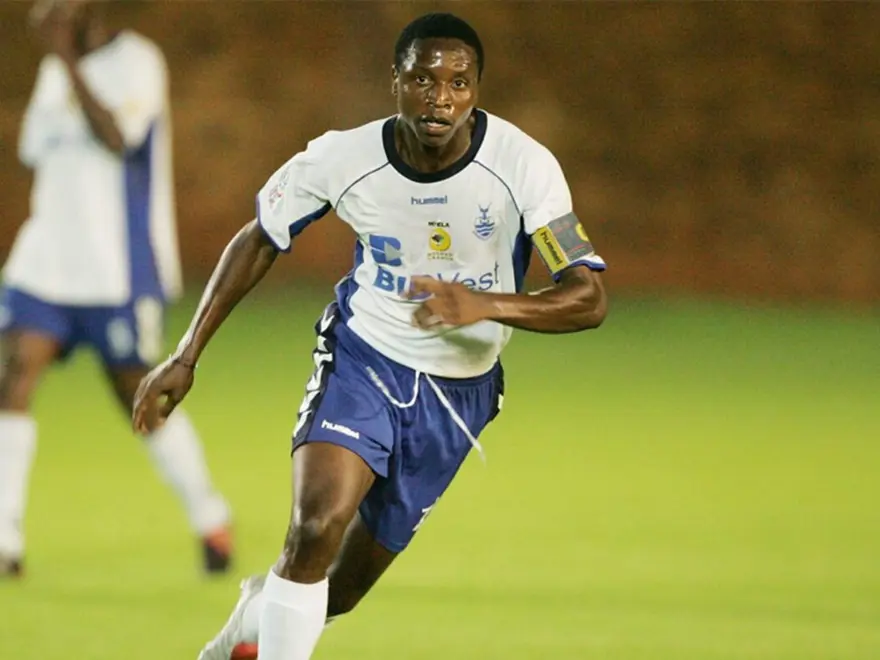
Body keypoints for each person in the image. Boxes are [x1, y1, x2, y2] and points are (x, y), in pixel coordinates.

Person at [132, 11, 608, 660]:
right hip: (364, 361)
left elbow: (587, 297)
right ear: (396, 81)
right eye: (423, 80)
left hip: (457, 398)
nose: (440, 98)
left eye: (459, 83)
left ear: (477, 90)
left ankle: (246, 627)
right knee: (315, 526)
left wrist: (484, 304)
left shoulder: (523, 167)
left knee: (341, 588)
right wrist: (186, 355)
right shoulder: (344, 157)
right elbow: (260, 238)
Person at [0, 0, 234, 578]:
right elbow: (33, 149)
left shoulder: (136, 61)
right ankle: (6, 538)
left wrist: (63, 57)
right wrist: (59, 63)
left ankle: (208, 513)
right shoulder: (53, 69)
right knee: (13, 377)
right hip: (46, 262)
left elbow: (116, 136)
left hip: (116, 269)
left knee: (138, 394)